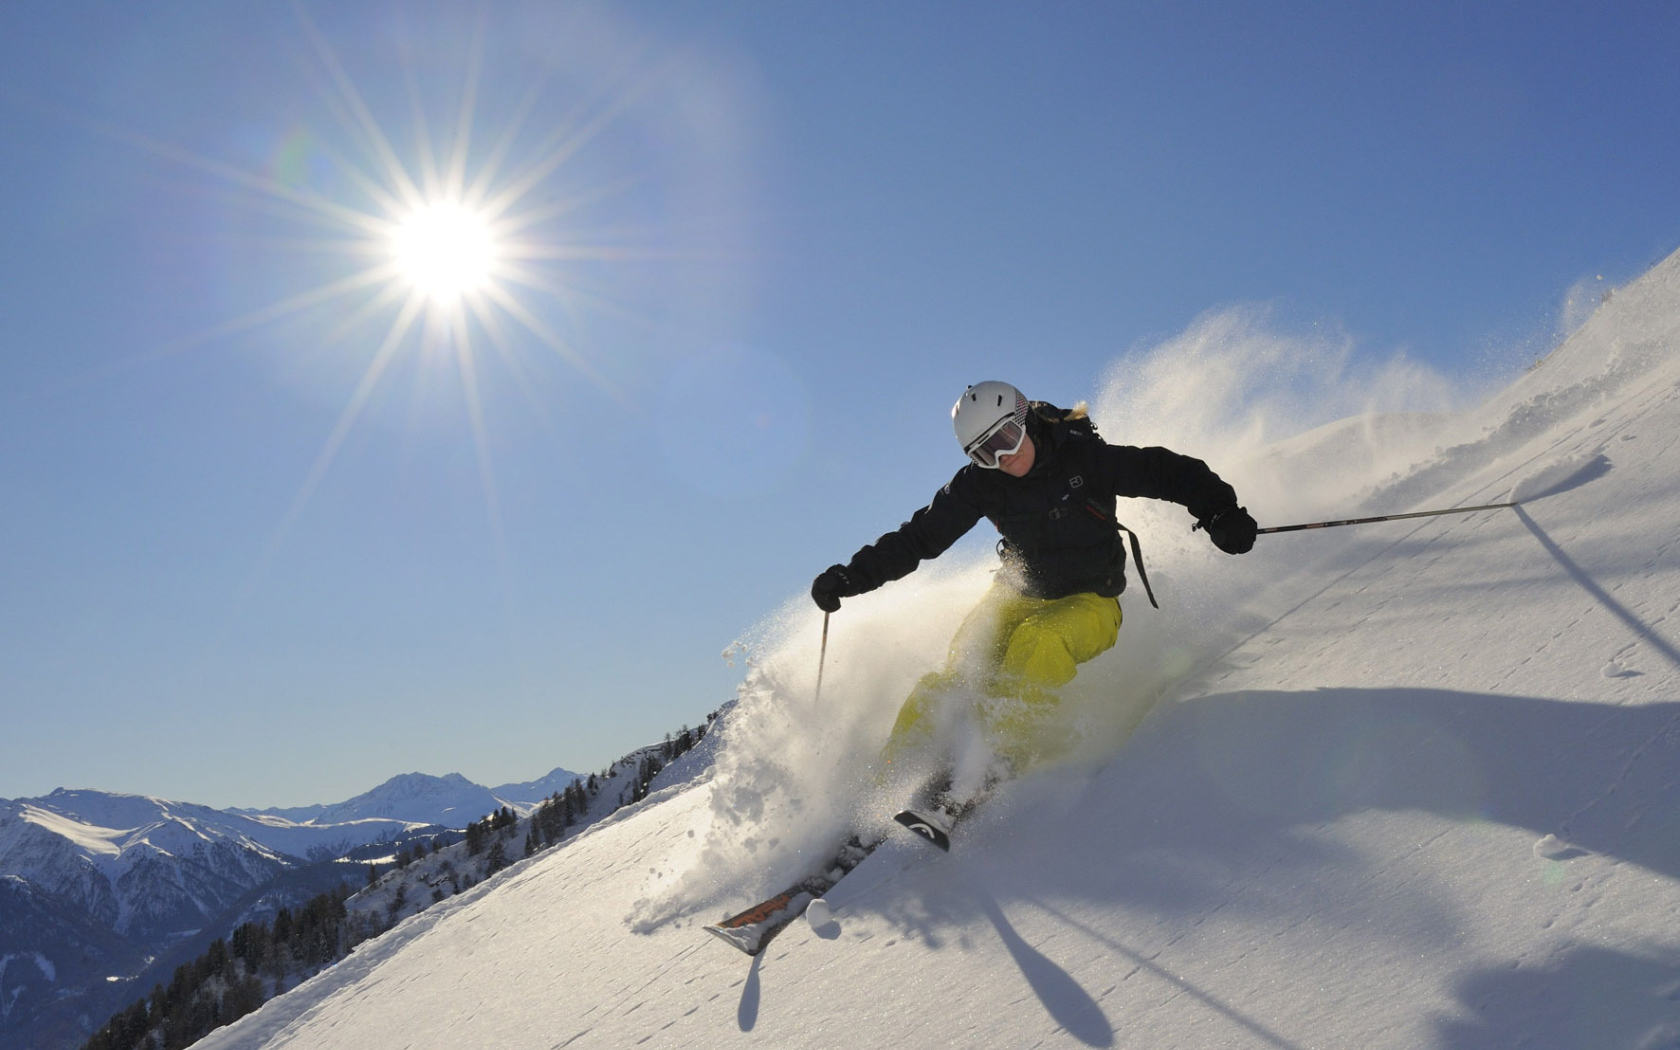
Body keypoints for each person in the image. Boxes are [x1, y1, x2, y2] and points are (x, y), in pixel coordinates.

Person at [810, 381, 1256, 813]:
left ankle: (996, 761)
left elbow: (1165, 471)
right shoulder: (979, 484)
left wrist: (1221, 510)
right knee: (956, 674)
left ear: (1026, 419)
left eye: (1007, 437)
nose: (1004, 457)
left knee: (1038, 643)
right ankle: (884, 788)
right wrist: (851, 577)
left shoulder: (1082, 457)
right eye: (986, 452)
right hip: (1019, 592)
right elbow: (918, 538)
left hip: (1092, 600)